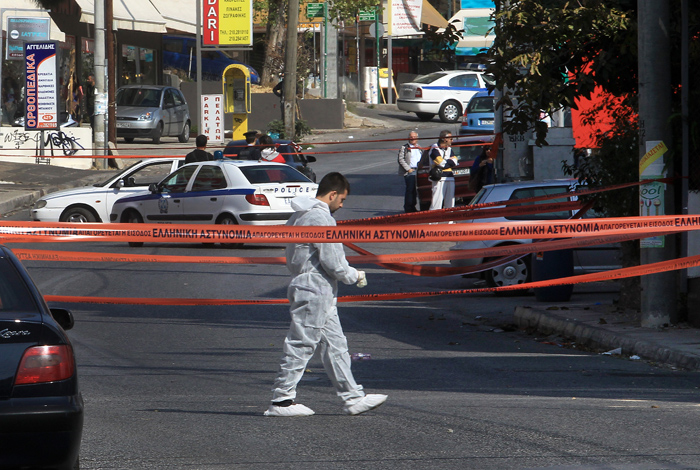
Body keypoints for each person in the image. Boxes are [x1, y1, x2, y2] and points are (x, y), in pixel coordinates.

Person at [265, 172, 388, 417]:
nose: (341, 205)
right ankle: (281, 399)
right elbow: (333, 261)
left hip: (310, 284)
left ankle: (352, 397)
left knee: (336, 345)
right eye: (341, 199)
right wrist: (355, 275)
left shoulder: (299, 215)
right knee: (302, 342)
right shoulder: (321, 218)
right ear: (332, 194)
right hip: (316, 287)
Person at [429, 130, 458, 210]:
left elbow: (455, 161)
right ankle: (433, 222)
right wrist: (449, 161)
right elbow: (441, 163)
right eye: (451, 139)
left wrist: (447, 162)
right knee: (436, 203)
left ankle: (449, 222)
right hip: (439, 178)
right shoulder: (434, 148)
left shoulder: (449, 149)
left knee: (450, 203)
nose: (452, 140)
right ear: (445, 139)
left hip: (450, 177)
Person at [397, 131, 422, 213]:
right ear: (408, 138)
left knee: (417, 190)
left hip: (419, 171)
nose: (413, 138)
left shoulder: (419, 148)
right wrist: (408, 169)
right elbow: (401, 159)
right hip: (410, 171)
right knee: (410, 190)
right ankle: (408, 208)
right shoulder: (404, 148)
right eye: (411, 137)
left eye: (414, 137)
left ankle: (413, 207)